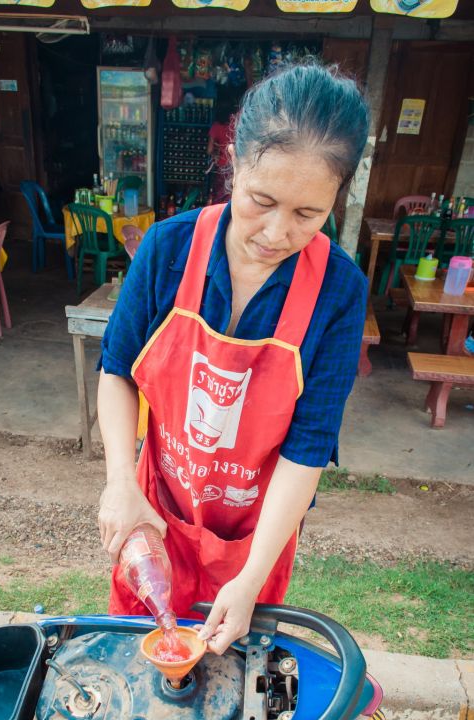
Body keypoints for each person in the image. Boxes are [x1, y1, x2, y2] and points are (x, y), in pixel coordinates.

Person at [98, 64, 369, 656]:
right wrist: (120, 482)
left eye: (307, 215)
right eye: (261, 201)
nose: (276, 233)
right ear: (234, 163)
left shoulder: (340, 292)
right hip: (155, 512)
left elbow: (308, 448)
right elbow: (116, 371)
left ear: (336, 199)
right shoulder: (167, 249)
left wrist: (249, 581)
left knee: (236, 672)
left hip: (256, 537)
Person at [207, 95, 236, 203]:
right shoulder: (236, 125)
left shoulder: (216, 127)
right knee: (231, 193)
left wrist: (216, 150)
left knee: (219, 195)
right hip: (235, 164)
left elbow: (209, 150)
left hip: (221, 166)